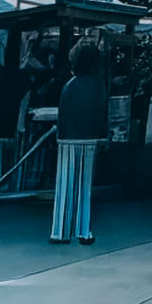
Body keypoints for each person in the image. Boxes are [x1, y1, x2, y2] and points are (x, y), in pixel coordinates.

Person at [53, 43, 111, 245]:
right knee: (84, 188)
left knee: (65, 184)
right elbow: (100, 113)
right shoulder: (97, 85)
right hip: (89, 139)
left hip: (67, 139)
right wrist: (103, 137)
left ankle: (60, 231)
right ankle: (84, 230)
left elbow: (62, 115)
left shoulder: (69, 85)